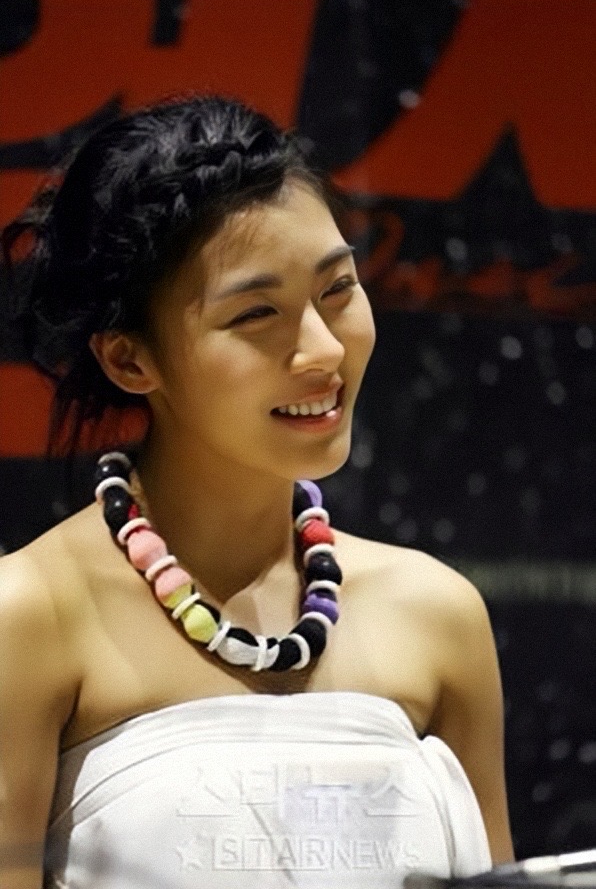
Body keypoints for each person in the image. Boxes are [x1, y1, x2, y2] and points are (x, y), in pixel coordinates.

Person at [0, 95, 514, 889]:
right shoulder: (30, 618)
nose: (323, 350)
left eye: (338, 289)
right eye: (257, 313)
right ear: (131, 360)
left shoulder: (437, 615)